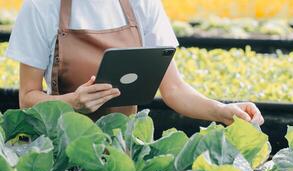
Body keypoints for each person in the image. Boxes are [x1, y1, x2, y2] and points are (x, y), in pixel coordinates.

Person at [6, 0, 264, 125]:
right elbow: (27, 98)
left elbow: (174, 90)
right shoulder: (41, 6)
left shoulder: (143, 4)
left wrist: (222, 111)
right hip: (62, 150)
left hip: (125, 151)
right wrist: (72, 103)